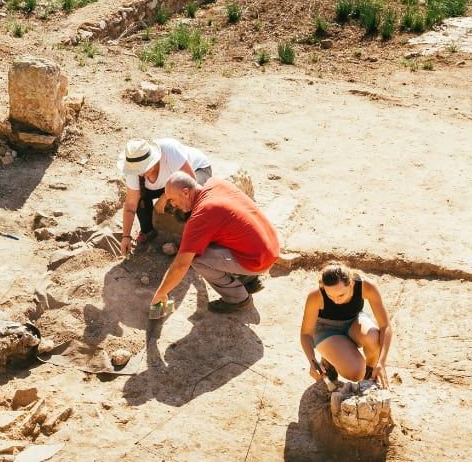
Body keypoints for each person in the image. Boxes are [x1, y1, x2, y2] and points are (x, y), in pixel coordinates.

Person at [149, 171, 278, 313]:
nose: (172, 205)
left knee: (197, 260)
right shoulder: (216, 183)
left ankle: (238, 299)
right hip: (270, 244)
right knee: (211, 240)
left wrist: (160, 293)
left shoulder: (201, 215)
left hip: (259, 260)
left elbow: (180, 265)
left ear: (186, 192)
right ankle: (249, 280)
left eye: (172, 199)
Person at [299, 264, 392, 389]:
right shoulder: (316, 295)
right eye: (330, 296)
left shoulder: (366, 286)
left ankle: (370, 376)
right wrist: (312, 361)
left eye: (341, 295)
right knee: (355, 372)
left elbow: (385, 326)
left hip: (353, 321)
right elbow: (306, 334)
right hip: (326, 329)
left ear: (351, 283)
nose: (336, 301)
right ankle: (329, 359)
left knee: (374, 337)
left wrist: (381, 362)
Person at [117, 138, 212, 255]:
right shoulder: (133, 170)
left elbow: (191, 182)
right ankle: (148, 231)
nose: (141, 173)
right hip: (168, 182)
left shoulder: (170, 151)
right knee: (140, 198)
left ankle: (194, 243)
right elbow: (131, 205)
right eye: (138, 170)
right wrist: (126, 236)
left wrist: (165, 196)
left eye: (143, 168)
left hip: (196, 171)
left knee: (187, 199)